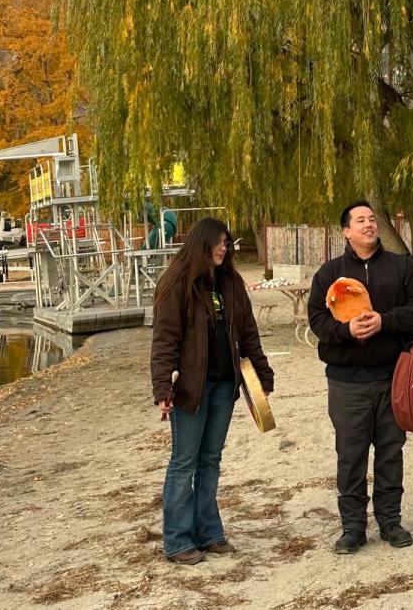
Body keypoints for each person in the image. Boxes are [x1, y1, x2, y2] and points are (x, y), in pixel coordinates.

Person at [308, 201, 413, 554]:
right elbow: (317, 320)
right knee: (351, 454)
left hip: (394, 376)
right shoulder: (329, 273)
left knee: (391, 451)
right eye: (360, 220)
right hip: (347, 381)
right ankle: (352, 528)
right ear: (346, 231)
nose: (369, 225)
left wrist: (385, 321)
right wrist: (346, 329)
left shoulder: (401, 266)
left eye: (372, 219)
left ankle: (390, 522)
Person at [151, 217, 275, 565]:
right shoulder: (177, 283)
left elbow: (248, 332)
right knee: (184, 462)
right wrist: (163, 387)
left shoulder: (231, 283)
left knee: (211, 460)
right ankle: (177, 541)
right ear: (201, 244)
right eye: (218, 242)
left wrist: (262, 375)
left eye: (227, 242)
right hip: (191, 389)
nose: (224, 247)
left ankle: (209, 533)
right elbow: (164, 341)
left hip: (224, 386)